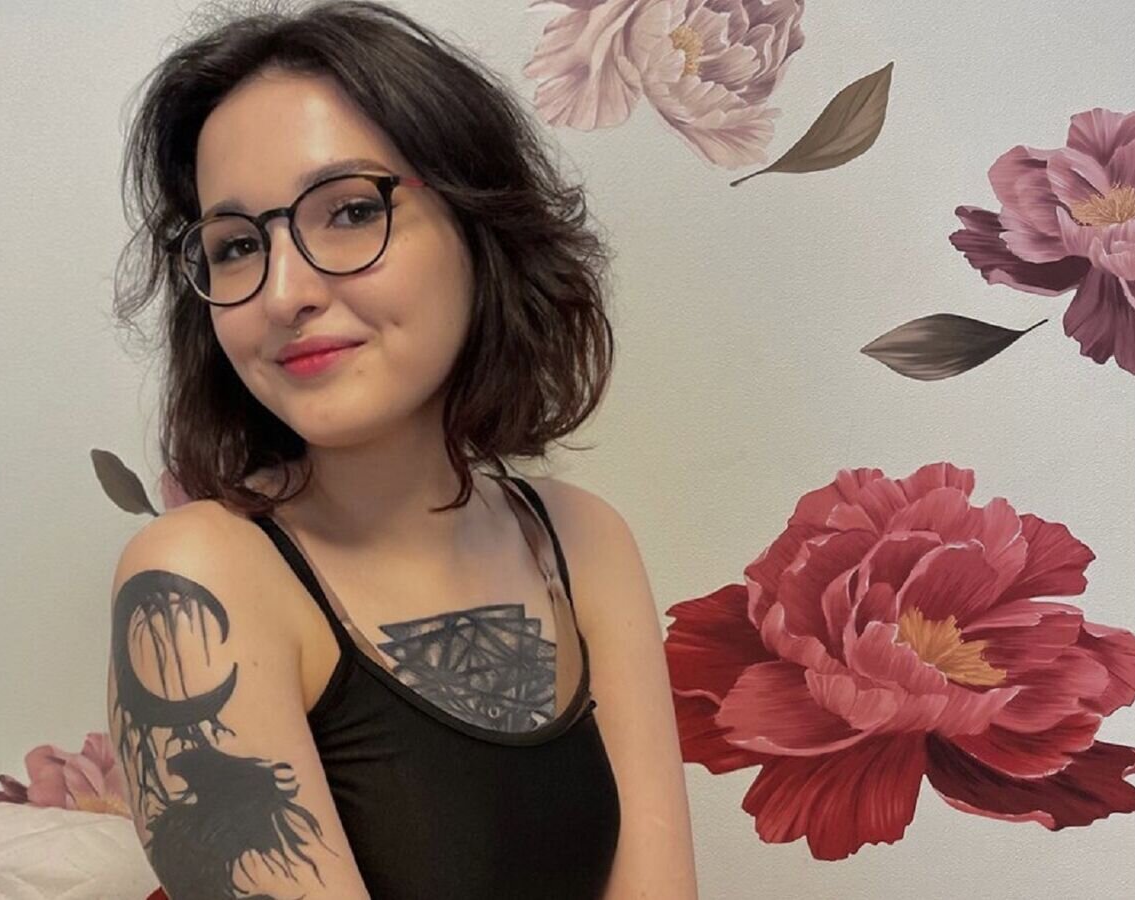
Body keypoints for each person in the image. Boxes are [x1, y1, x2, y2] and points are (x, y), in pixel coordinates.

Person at [105, 2, 696, 897]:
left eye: (349, 211)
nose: (283, 292)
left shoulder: (582, 541)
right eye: (235, 246)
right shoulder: (196, 581)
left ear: (478, 226)